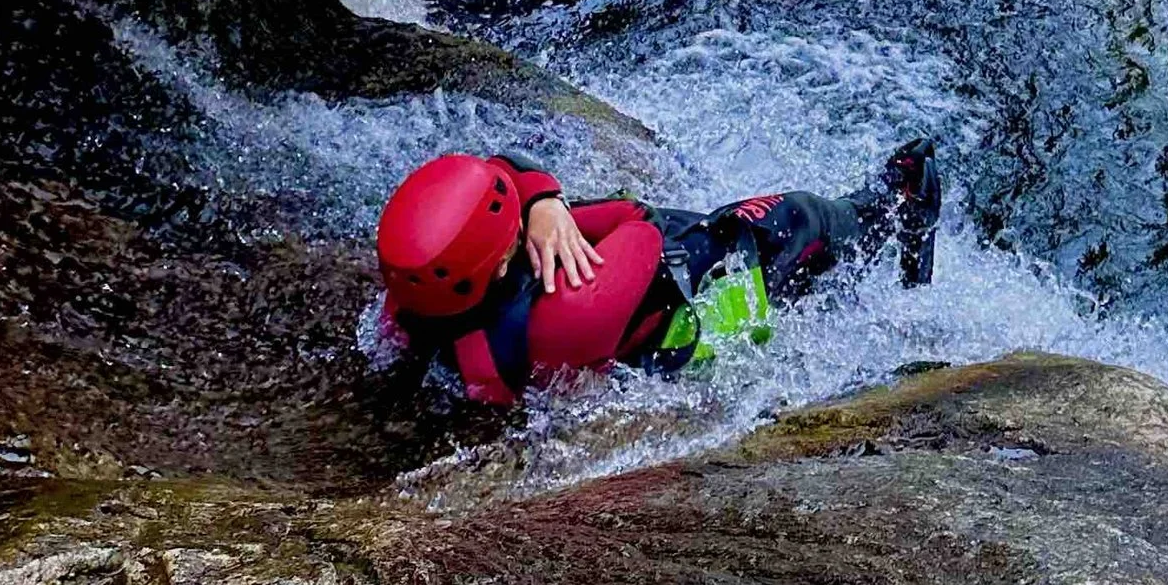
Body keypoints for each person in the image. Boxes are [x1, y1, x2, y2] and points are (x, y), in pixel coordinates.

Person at [373, 140, 941, 407]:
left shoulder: (415, 305)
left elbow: (498, 167)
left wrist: (538, 201)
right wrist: (553, 208)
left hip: (622, 329)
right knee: (802, 219)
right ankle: (904, 200)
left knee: (809, 277)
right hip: (687, 301)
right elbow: (637, 221)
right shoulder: (571, 307)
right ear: (497, 263)